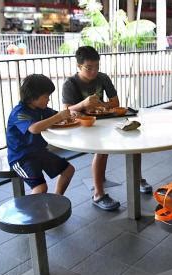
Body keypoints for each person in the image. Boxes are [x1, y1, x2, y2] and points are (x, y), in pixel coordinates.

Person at [62, 46, 152, 211]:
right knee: (101, 151)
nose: (94, 71)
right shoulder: (71, 83)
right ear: (79, 66)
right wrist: (84, 104)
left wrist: (100, 106)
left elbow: (115, 102)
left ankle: (137, 179)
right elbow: (67, 111)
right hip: (82, 126)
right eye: (89, 68)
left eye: (97, 67)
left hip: (105, 120)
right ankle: (98, 194)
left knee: (134, 141)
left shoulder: (103, 78)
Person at [6, 74, 75, 195]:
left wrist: (70, 115)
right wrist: (59, 116)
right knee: (41, 188)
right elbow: (34, 128)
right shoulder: (19, 112)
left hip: (39, 152)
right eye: (46, 96)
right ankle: (34, 212)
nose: (48, 99)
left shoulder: (42, 108)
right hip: (21, 157)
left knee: (68, 170)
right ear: (32, 97)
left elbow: (57, 116)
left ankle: (56, 199)